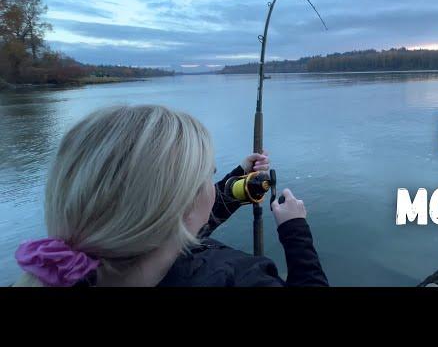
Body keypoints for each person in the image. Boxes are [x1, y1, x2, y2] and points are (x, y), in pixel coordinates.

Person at [13, 105, 328, 287]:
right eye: (207, 174)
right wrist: (295, 230)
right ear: (183, 206)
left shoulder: (77, 271)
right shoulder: (236, 279)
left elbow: (176, 230)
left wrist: (237, 183)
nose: (211, 180)